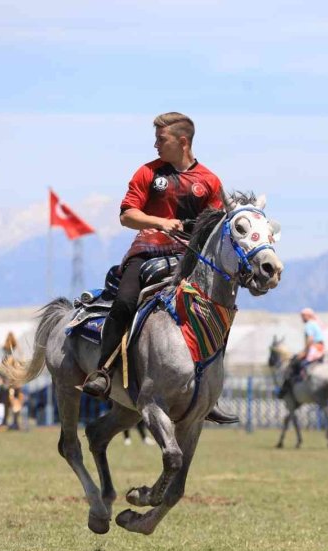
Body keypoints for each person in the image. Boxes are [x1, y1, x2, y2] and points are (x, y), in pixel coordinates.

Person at [81, 112, 237, 424]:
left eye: (160, 139)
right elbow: (127, 215)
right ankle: (102, 371)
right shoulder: (148, 173)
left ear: (182, 142)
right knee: (125, 302)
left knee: (221, 311)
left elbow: (217, 225)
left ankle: (210, 392)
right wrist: (160, 222)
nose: (155, 145)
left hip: (189, 261)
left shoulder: (210, 181)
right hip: (146, 252)